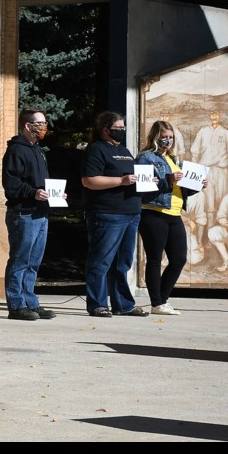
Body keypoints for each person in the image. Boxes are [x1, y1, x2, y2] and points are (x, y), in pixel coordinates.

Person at [81, 111, 150, 317]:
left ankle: (123, 304)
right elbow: (89, 180)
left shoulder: (124, 151)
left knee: (123, 262)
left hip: (130, 213)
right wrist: (121, 181)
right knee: (101, 261)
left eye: (123, 128)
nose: (122, 131)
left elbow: (131, 177)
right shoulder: (96, 150)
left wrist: (147, 182)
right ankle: (97, 304)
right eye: (118, 128)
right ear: (105, 130)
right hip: (107, 214)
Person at [136, 120, 206, 314]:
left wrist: (197, 185)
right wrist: (167, 180)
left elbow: (180, 190)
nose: (168, 140)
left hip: (174, 213)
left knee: (179, 258)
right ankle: (157, 303)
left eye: (171, 137)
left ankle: (162, 299)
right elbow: (142, 188)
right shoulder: (146, 158)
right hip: (154, 213)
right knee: (155, 259)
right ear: (155, 137)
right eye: (164, 137)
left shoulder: (175, 160)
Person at [2, 109, 58, 321]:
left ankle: (30, 302)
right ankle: (16, 305)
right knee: (20, 260)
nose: (43, 127)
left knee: (34, 261)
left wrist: (54, 193)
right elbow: (11, 184)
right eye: (39, 123)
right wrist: (33, 192)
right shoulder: (16, 150)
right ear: (27, 126)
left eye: (44, 122)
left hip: (41, 213)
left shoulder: (37, 149)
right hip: (23, 213)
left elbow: (39, 181)